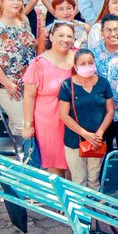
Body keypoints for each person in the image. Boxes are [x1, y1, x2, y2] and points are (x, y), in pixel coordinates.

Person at [0, 0, 38, 134]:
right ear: (2, 1)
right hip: (8, 86)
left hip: (29, 83)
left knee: (28, 123)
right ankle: (25, 156)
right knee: (22, 126)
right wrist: (8, 84)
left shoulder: (23, 21)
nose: (16, 2)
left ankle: (19, 156)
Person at [22, 21, 76, 175]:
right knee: (55, 164)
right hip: (49, 121)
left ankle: (74, 198)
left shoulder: (78, 58)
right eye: (61, 35)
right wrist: (28, 125)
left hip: (75, 120)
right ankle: (58, 198)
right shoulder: (39, 64)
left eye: (69, 36)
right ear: (51, 36)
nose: (65, 39)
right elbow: (29, 96)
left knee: (75, 165)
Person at [90, 15, 118, 144]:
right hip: (100, 112)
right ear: (102, 32)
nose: (113, 34)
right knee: (101, 154)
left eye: (116, 29)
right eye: (108, 30)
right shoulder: (93, 51)